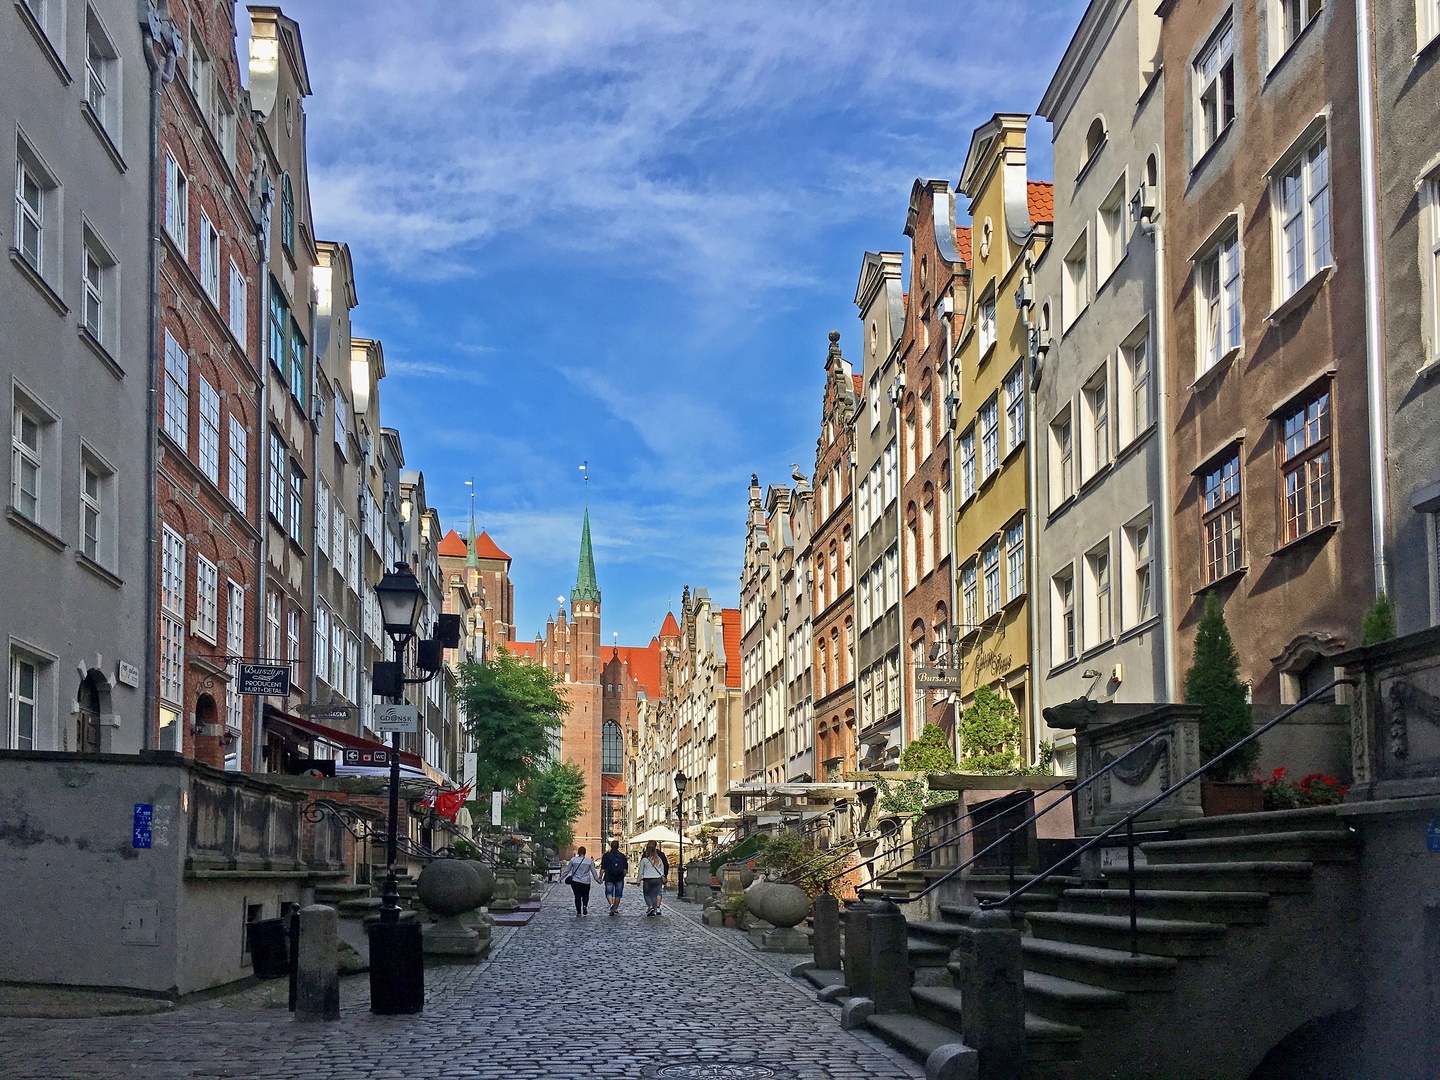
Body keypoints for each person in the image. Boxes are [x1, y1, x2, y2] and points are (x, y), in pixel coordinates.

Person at [561, 846, 600, 915]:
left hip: (575, 881)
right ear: (585, 853)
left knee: (577, 896)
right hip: (586, 881)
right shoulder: (589, 861)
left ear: (578, 852)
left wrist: (560, 878)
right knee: (586, 895)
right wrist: (598, 880)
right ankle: (585, 905)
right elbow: (594, 872)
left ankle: (578, 912)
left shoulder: (573, 860)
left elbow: (567, 870)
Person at [600, 840, 629, 916]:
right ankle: (615, 908)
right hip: (619, 877)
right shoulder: (622, 856)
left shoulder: (606, 855)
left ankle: (611, 904)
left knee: (609, 893)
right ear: (618, 846)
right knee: (618, 894)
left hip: (609, 876)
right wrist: (623, 876)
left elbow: (603, 867)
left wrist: (600, 876)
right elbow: (625, 868)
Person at [639, 841, 666, 916]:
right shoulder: (659, 859)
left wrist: (638, 880)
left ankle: (650, 907)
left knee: (647, 894)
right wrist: (663, 876)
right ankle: (654, 909)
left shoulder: (644, 860)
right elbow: (662, 868)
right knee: (654, 895)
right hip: (657, 879)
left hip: (647, 879)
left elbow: (640, 871)